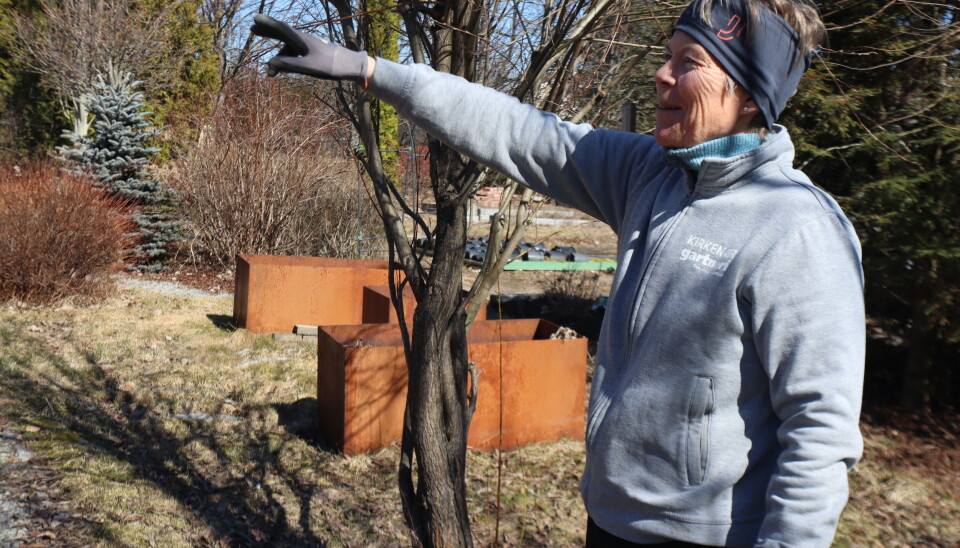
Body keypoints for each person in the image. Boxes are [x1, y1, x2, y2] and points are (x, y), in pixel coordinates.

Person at [252, 0, 865, 545]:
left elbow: (819, 436)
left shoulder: (797, 229)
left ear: (751, 95)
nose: (662, 73)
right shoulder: (648, 174)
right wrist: (372, 71)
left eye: (690, 61)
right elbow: (517, 130)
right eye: (668, 55)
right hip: (609, 521)